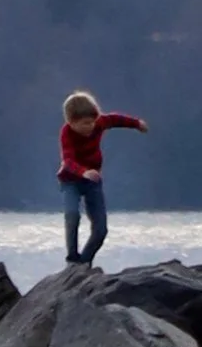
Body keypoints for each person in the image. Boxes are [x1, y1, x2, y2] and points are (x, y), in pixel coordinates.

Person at [58, 91, 147, 265]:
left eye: (92, 122)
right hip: (71, 180)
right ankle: (72, 259)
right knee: (72, 215)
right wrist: (83, 172)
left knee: (101, 230)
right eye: (85, 124)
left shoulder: (98, 123)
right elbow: (67, 160)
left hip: (93, 181)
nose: (90, 126)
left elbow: (115, 120)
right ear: (71, 122)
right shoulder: (66, 133)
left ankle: (84, 263)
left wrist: (137, 124)